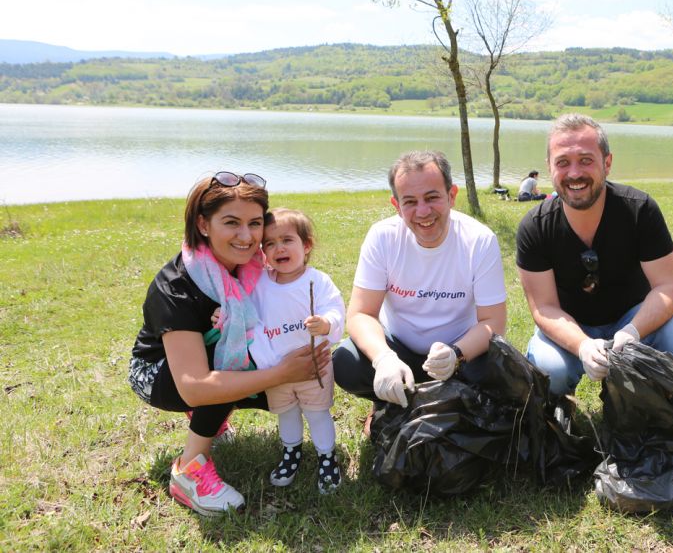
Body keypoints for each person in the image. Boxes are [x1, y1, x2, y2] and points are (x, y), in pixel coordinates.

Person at [128, 172, 330, 516]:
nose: (246, 236)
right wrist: (282, 372)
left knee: (261, 358)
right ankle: (189, 471)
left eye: (255, 224)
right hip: (160, 376)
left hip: (205, 366)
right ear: (204, 224)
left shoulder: (255, 268)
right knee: (229, 363)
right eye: (231, 223)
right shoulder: (177, 286)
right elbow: (194, 386)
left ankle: (213, 419)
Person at [516, 113, 673, 397]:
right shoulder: (534, 226)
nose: (574, 173)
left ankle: (648, 402)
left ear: (607, 163)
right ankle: (560, 411)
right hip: (571, 324)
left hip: (634, 318)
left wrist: (632, 332)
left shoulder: (640, 210)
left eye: (586, 160)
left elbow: (669, 287)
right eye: (563, 162)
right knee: (549, 368)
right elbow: (544, 308)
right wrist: (582, 345)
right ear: (549, 167)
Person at [332, 151, 507, 415]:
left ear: (451, 195)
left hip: (460, 350)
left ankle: (432, 402)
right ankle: (388, 400)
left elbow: (494, 322)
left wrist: (456, 354)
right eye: (410, 201)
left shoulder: (480, 240)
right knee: (345, 362)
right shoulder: (383, 237)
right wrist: (383, 358)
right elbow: (360, 314)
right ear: (396, 205)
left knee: (497, 369)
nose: (423, 211)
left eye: (432, 197)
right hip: (398, 346)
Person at [247, 208, 346, 494]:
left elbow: (336, 310)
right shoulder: (261, 283)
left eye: (287, 240)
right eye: (269, 243)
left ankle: (327, 457)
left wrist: (326, 323)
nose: (278, 248)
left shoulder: (317, 281)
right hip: (276, 369)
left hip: (315, 365)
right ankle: (291, 453)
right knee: (286, 413)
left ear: (306, 245)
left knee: (317, 413)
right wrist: (225, 316)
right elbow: (246, 312)